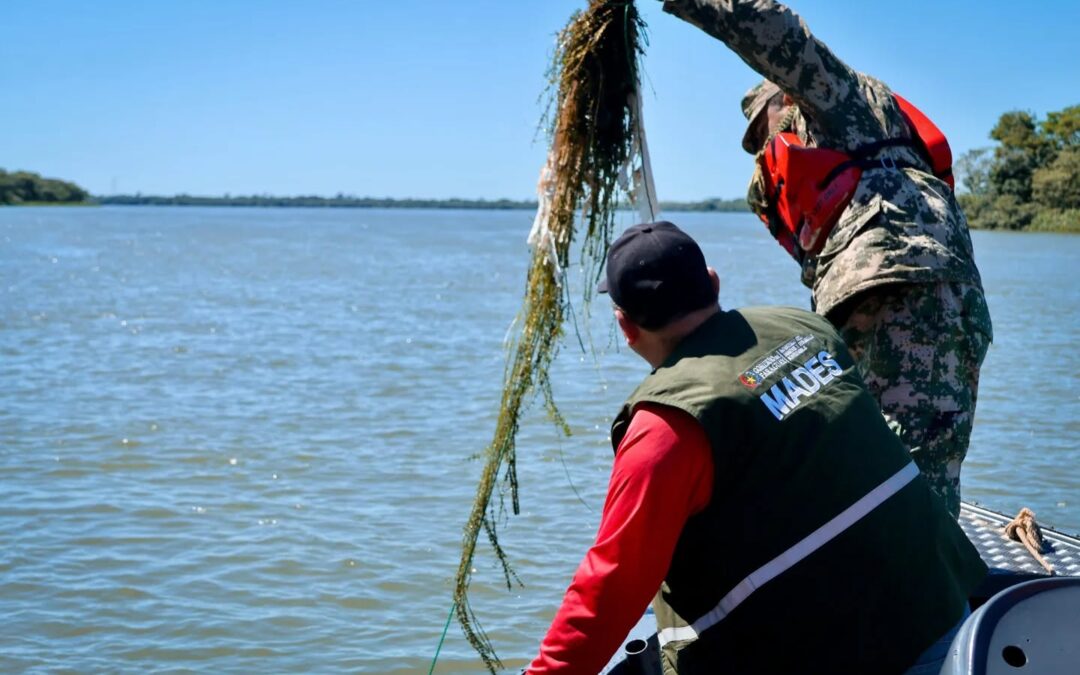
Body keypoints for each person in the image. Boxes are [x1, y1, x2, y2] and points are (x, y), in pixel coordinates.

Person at [526, 221, 985, 674]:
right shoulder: (806, 327)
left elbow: (610, 587)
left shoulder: (665, 430)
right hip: (944, 612)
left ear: (626, 327)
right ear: (712, 282)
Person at [657, 0, 993, 517]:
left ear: (785, 93)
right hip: (910, 296)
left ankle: (922, 586)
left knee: (910, 477)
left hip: (909, 289)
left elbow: (768, 26)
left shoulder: (838, 98)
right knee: (900, 468)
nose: (763, 143)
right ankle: (922, 579)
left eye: (763, 124)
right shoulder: (800, 167)